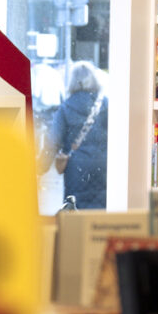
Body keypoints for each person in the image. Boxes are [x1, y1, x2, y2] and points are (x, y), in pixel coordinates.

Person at [47, 60, 108, 211]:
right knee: (100, 211)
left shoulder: (66, 107)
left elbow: (53, 140)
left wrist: (41, 166)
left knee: (75, 212)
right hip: (102, 166)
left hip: (76, 169)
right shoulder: (105, 104)